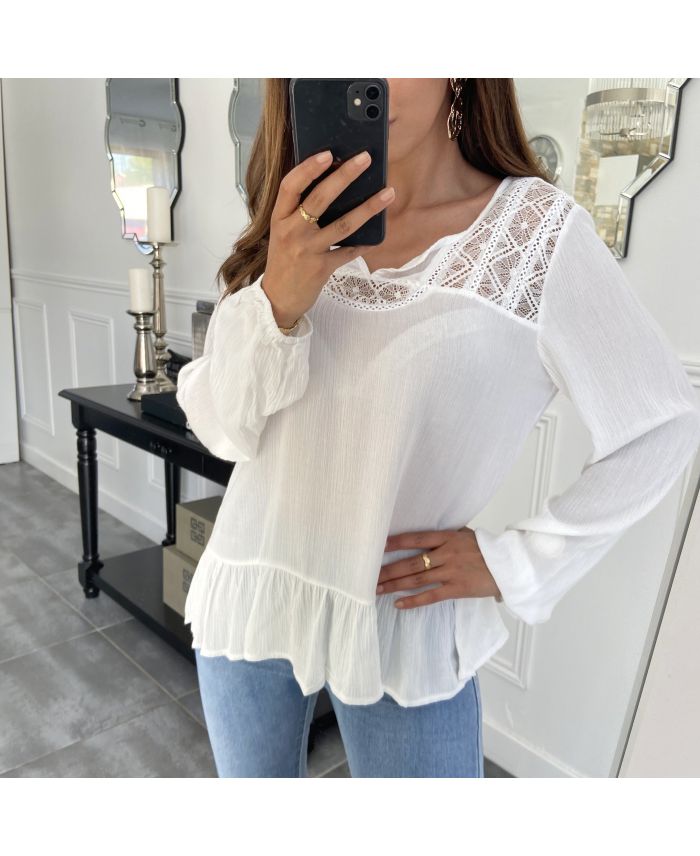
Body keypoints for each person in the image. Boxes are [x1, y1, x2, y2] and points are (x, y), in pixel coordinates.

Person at [176, 79, 700, 778]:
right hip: (250, 589)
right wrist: (279, 299)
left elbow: (662, 423)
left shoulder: (535, 236)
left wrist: (515, 563)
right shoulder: (300, 221)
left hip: (404, 612)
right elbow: (223, 432)